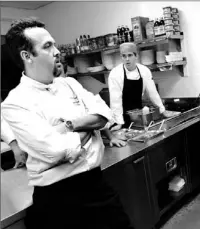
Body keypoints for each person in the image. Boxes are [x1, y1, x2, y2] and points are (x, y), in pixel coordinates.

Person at [1, 18, 134, 229]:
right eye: (47, 46)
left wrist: (68, 126)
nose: (56, 51)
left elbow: (103, 114)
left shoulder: (70, 84)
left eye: (53, 44)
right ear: (27, 56)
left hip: (97, 187)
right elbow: (56, 151)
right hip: (58, 201)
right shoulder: (15, 103)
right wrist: (88, 128)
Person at [108, 42, 175, 131]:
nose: (127, 59)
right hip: (120, 116)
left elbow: (152, 93)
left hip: (138, 116)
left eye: (130, 55)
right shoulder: (115, 74)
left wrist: (162, 110)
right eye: (124, 56)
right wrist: (119, 122)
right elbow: (115, 100)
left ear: (136, 56)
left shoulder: (144, 71)